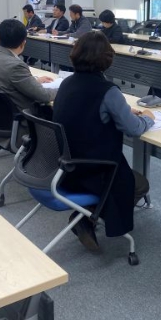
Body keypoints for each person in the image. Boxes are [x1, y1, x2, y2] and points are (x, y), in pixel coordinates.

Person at [52, 31, 154, 251]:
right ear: (107, 59)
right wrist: (148, 117)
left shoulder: (67, 83)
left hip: (65, 167)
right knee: (140, 185)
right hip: (96, 171)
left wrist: (121, 111)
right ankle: (87, 216)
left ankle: (86, 216)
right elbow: (134, 129)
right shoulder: (108, 91)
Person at [0, 18, 57, 115]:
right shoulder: (16, 66)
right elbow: (44, 96)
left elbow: (8, 81)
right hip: (21, 115)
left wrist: (34, 81)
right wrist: (64, 90)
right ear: (23, 43)